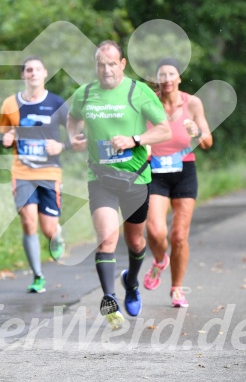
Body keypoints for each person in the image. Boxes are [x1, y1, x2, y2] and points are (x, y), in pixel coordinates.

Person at [67, 40, 172, 327]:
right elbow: (72, 119)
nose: (106, 69)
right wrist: (74, 138)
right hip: (100, 178)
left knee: (136, 241)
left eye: (112, 63)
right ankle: (109, 300)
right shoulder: (85, 93)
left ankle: (132, 282)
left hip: (136, 177)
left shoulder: (138, 92)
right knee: (107, 238)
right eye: (101, 64)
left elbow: (164, 131)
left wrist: (134, 140)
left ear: (122, 64)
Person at [142, 58, 213, 308]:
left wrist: (196, 131)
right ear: (158, 81)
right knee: (155, 230)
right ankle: (160, 260)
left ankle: (177, 289)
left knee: (179, 237)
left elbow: (208, 143)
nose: (167, 79)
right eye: (163, 75)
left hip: (184, 171)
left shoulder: (192, 103)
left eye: (172, 74)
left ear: (179, 78)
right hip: (155, 171)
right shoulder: (147, 102)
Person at [0, 56, 69, 293]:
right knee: (28, 222)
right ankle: (38, 276)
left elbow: (77, 134)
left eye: (38, 69)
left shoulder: (57, 103)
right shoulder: (10, 104)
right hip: (22, 171)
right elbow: (4, 134)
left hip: (50, 172)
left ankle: (56, 235)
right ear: (23, 75)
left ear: (45, 73)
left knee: (48, 229)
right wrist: (6, 140)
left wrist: (61, 146)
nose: (33, 73)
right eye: (29, 70)